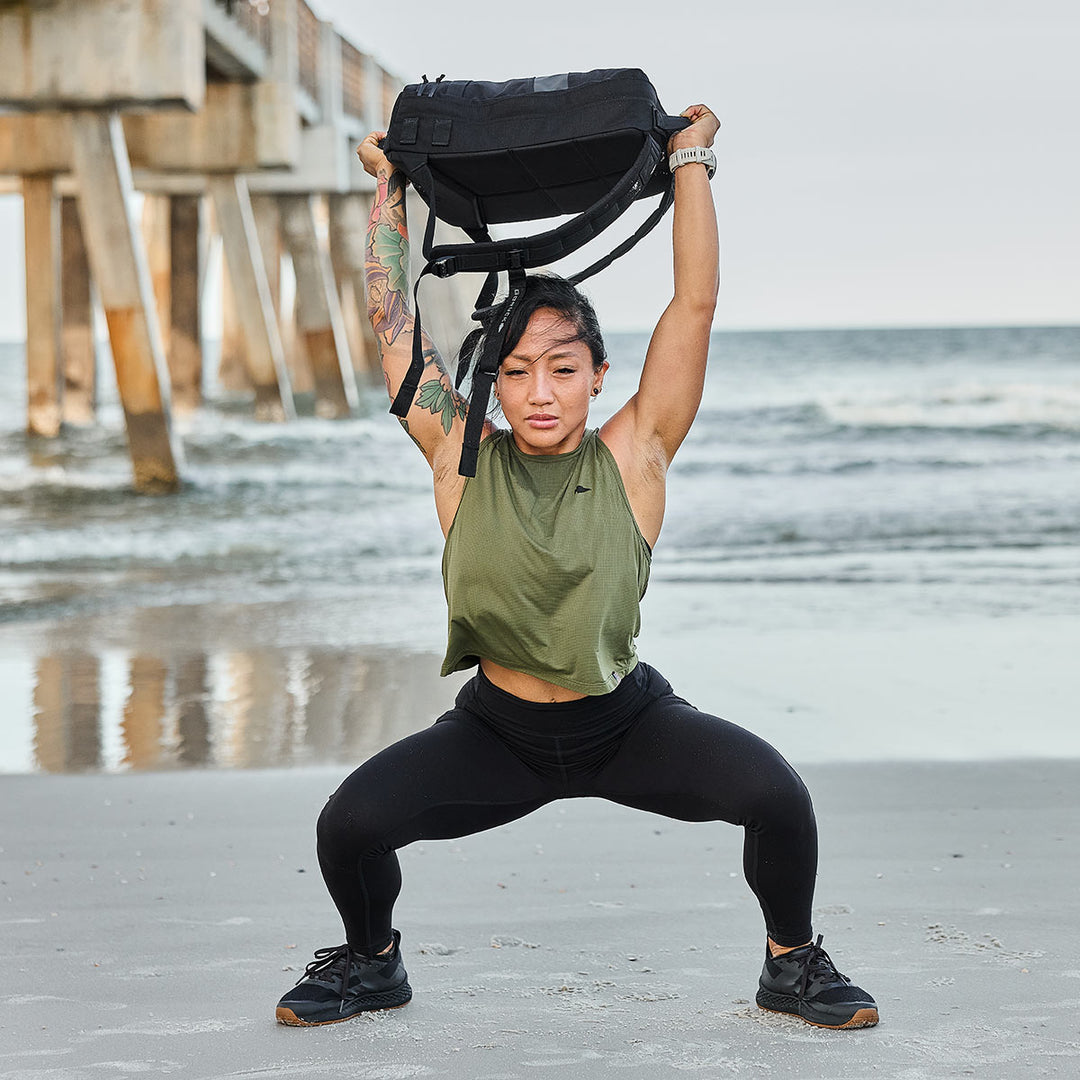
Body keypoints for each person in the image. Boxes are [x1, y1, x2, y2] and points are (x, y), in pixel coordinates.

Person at [275, 104, 879, 1031]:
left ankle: (789, 963)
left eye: (562, 368)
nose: (539, 392)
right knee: (348, 826)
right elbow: (394, 325)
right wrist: (389, 191)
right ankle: (373, 961)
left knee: (778, 799)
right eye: (516, 372)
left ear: (599, 374)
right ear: (493, 382)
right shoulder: (457, 454)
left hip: (625, 722)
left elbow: (696, 304)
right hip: (497, 735)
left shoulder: (635, 455)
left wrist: (691, 161)